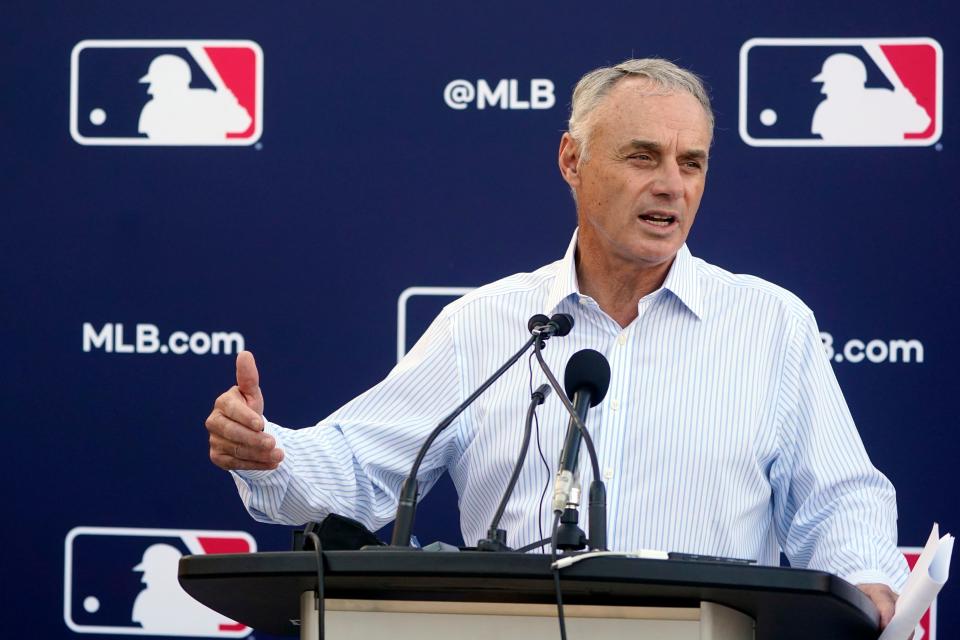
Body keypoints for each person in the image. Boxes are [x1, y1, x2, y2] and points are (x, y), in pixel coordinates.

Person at [205, 58, 908, 630]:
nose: (671, 185)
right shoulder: (485, 324)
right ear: (573, 159)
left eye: (692, 163)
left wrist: (871, 580)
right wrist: (270, 453)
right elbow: (360, 464)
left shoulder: (770, 324)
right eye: (643, 156)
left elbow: (840, 498)